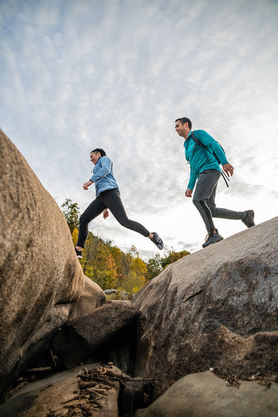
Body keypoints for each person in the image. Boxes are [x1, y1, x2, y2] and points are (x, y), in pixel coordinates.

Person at [175, 117, 255, 248]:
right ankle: (245, 215)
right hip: (203, 174)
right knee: (211, 209)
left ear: (186, 125)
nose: (176, 129)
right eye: (175, 127)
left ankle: (213, 234)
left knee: (198, 200)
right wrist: (190, 187)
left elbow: (213, 144)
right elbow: (193, 169)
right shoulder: (186, 147)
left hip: (210, 170)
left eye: (178, 126)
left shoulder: (197, 134)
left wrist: (224, 162)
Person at [75, 148, 163, 258]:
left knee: (124, 221)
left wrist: (90, 181)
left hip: (111, 193)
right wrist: (105, 208)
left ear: (98, 154)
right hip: (101, 198)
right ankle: (79, 249)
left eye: (91, 156)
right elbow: (99, 187)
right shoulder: (95, 169)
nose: (91, 159)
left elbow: (106, 170)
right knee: (84, 219)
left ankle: (152, 236)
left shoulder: (105, 159)